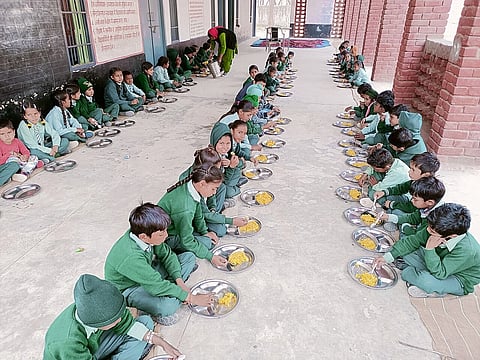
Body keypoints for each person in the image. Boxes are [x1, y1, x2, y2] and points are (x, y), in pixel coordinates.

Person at [105, 203, 215, 326]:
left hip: (148, 273)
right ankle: (158, 306)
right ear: (144, 237)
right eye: (161, 234)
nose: (166, 235)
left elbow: (168, 255)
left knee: (188, 257)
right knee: (167, 307)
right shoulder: (130, 256)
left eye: (166, 231)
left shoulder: (145, 232)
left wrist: (180, 282)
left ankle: (172, 287)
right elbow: (155, 285)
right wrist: (191, 298)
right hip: (130, 288)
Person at [43, 274, 183, 359]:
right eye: (115, 319)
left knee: (145, 323)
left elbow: (127, 324)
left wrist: (161, 342)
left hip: (92, 347)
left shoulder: (98, 308)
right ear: (97, 323)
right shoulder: (67, 343)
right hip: (74, 357)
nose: (120, 319)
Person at [374, 203, 480, 298]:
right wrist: (388, 257)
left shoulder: (467, 250)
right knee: (405, 251)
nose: (428, 230)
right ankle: (419, 272)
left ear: (452, 236)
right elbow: (413, 241)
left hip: (458, 277)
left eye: (432, 231)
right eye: (429, 227)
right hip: (438, 262)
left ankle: (433, 286)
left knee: (426, 281)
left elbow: (441, 273)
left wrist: (430, 249)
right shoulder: (436, 227)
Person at [158, 163, 228, 268]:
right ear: (202, 184)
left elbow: (198, 214)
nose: (214, 193)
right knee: (207, 243)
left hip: (182, 225)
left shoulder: (192, 187)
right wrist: (210, 256)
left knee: (215, 232)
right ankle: (176, 254)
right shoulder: (185, 208)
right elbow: (186, 241)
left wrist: (205, 232)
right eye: (213, 189)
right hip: (167, 237)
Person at [179, 147, 248, 236]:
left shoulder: (203, 177)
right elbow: (202, 213)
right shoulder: (193, 186)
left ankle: (216, 215)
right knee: (220, 230)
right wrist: (231, 221)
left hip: (204, 209)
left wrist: (213, 208)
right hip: (196, 217)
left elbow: (213, 193)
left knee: (222, 187)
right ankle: (214, 219)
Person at [374, 151, 440, 215]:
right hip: (410, 203)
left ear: (426, 175)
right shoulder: (415, 180)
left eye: (413, 170)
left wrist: (392, 204)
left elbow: (411, 207)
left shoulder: (425, 189)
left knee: (396, 212)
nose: (409, 171)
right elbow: (400, 188)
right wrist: (384, 192)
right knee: (383, 197)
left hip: (415, 211)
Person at [379, 176, 446, 236]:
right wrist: (389, 217)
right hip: (420, 229)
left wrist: (405, 228)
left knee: (405, 238)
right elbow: (412, 217)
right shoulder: (426, 207)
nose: (411, 201)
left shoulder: (434, 219)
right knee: (398, 215)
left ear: (430, 202)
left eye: (415, 199)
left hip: (428, 242)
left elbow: (420, 236)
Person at [210, 122, 244, 202]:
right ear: (214, 142)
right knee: (229, 192)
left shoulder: (227, 153)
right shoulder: (210, 158)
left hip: (225, 179)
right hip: (215, 185)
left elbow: (241, 164)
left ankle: (236, 182)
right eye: (221, 143)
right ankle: (236, 187)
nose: (225, 147)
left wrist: (234, 163)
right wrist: (231, 167)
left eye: (228, 143)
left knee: (237, 167)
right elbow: (223, 181)